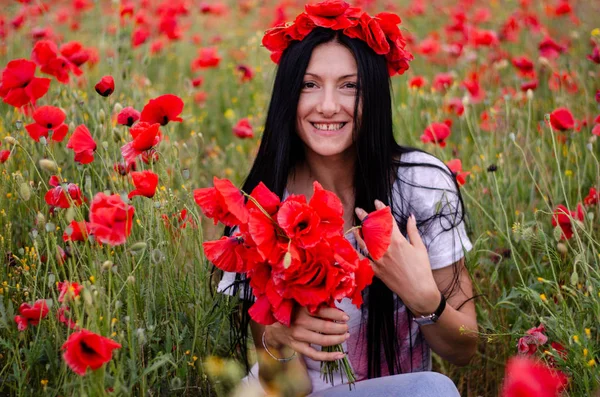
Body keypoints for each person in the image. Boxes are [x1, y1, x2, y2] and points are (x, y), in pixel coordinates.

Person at [217, 1, 478, 395]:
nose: (327, 106)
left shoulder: (420, 184)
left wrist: (425, 300)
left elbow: (465, 346)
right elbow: (286, 389)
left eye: (349, 85)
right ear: (289, 95)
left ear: (372, 94)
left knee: (433, 388)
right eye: (309, 84)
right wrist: (276, 338)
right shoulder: (261, 209)